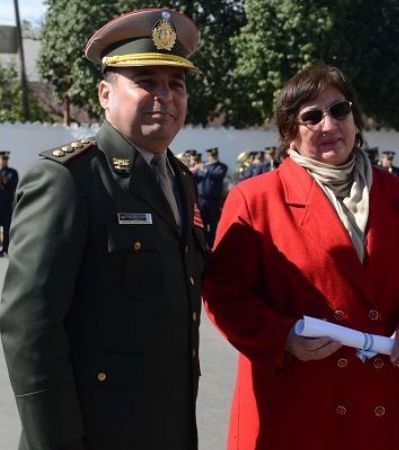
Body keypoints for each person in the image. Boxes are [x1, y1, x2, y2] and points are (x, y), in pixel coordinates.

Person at [202, 64, 399, 450]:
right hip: (297, 404)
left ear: (355, 119)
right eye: (311, 116)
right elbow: (224, 295)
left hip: (376, 403)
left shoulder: (397, 195)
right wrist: (282, 336)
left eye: (339, 110)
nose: (328, 124)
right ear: (290, 133)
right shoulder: (255, 198)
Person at [0, 9, 208, 450]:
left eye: (176, 84)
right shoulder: (68, 178)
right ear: (104, 94)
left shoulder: (181, 180)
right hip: (92, 434)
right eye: (145, 81)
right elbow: (30, 326)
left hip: (168, 429)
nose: (165, 96)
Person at [193, 147, 228, 247]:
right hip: (202, 199)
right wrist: (193, 169)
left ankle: (213, 244)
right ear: (208, 157)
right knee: (202, 223)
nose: (212, 158)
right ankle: (202, 243)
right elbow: (196, 178)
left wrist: (203, 169)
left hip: (214, 200)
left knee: (213, 223)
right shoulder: (203, 166)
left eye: (214, 156)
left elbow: (218, 175)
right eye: (210, 156)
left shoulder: (221, 166)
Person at [0, 151, 19, 254]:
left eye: (5, 159)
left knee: (7, 229)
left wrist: (2, 180)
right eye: (2, 159)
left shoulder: (12, 172)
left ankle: (5, 248)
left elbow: (11, 185)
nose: (3, 161)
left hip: (6, 206)